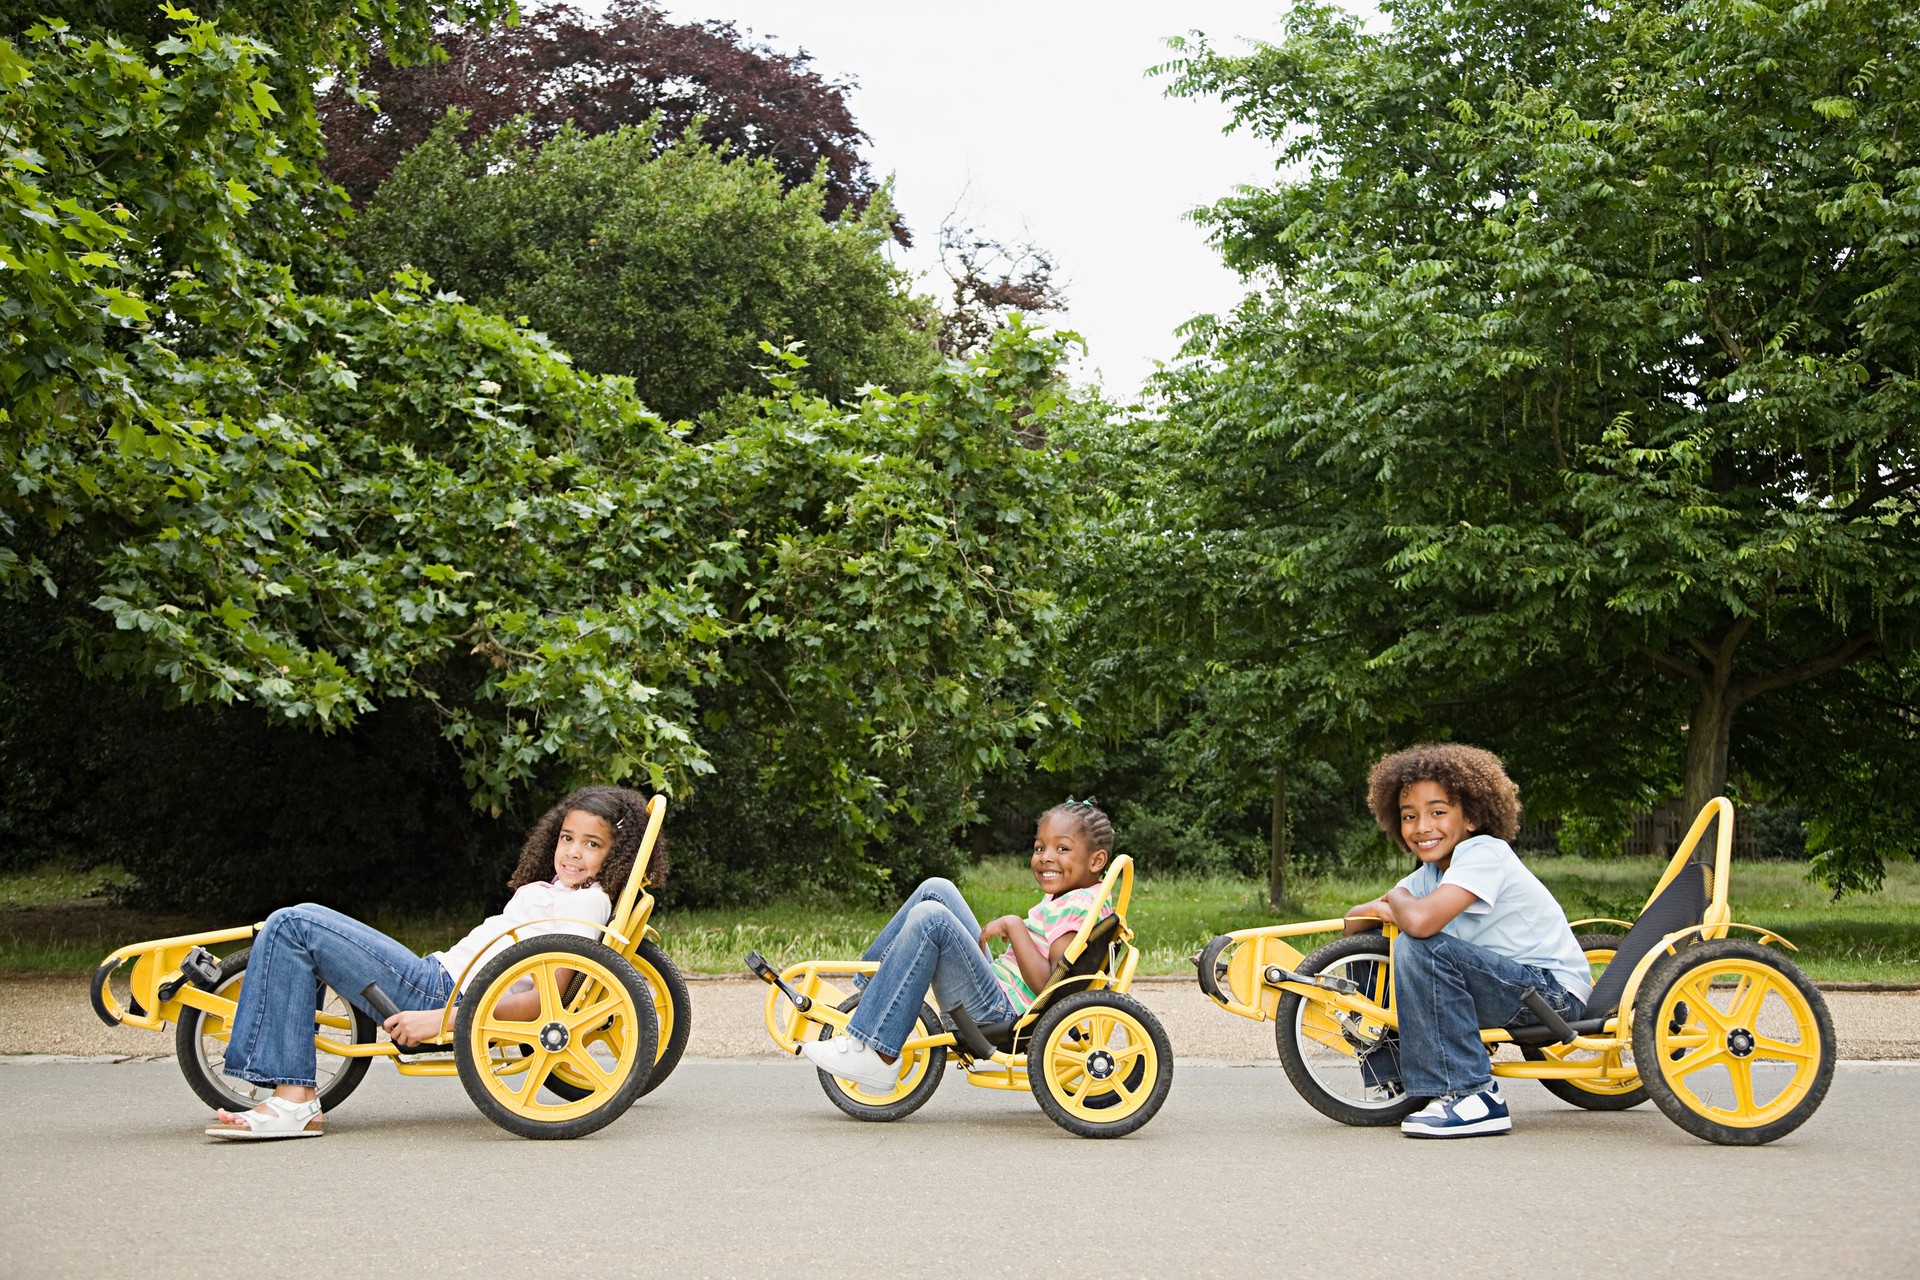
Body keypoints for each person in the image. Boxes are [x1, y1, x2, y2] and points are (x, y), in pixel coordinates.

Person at [205, 785, 660, 1139]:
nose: (573, 852)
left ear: (615, 857)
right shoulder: (564, 894)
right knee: (298, 925)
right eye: (567, 838)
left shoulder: (583, 908)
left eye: (592, 844)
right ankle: (295, 1095)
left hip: (441, 992)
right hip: (439, 978)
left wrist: (441, 1019)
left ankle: (293, 1101)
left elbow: (543, 1002)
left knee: (291, 924)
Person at [1342, 744, 1591, 1138]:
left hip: (1551, 996)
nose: (1422, 826)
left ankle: (1474, 1094)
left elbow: (1420, 923)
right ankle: (1395, 1083)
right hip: (1509, 988)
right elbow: (1355, 923)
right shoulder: (1430, 872)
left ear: (1472, 816)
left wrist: (1397, 902)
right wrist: (1391, 907)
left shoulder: (1483, 853)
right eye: (1409, 816)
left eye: (1438, 812)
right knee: (1381, 941)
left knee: (1417, 944)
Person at [802, 799, 1117, 1092]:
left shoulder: (1078, 906)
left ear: (1096, 860)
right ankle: (872, 993)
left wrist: (1014, 925)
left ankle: (877, 1053)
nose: (1046, 856)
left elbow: (1050, 984)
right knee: (937, 889)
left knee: (932, 919)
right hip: (1000, 991)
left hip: (998, 1014)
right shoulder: (1079, 894)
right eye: (1040, 847)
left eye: (1062, 848)